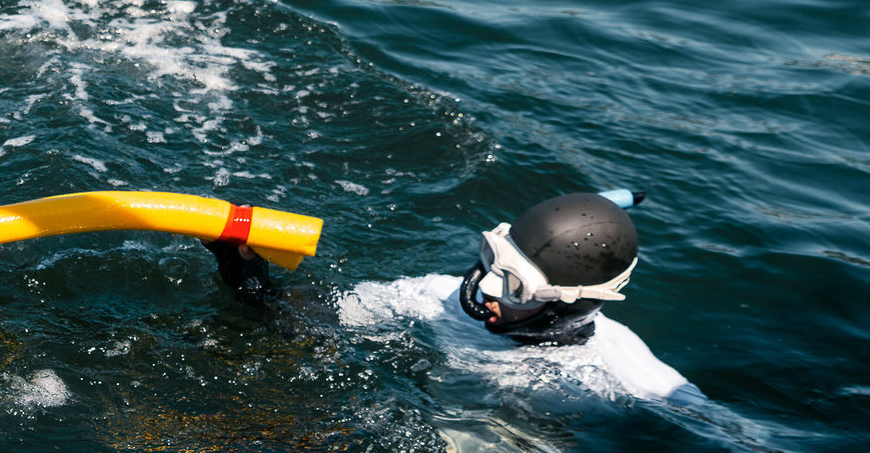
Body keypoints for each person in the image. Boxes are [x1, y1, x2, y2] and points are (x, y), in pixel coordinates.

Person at [208, 187, 699, 403]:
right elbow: (317, 313)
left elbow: (739, 451)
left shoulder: (627, 375)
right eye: (491, 261)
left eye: (513, 284)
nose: (483, 287)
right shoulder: (440, 298)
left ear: (568, 303)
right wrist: (246, 270)